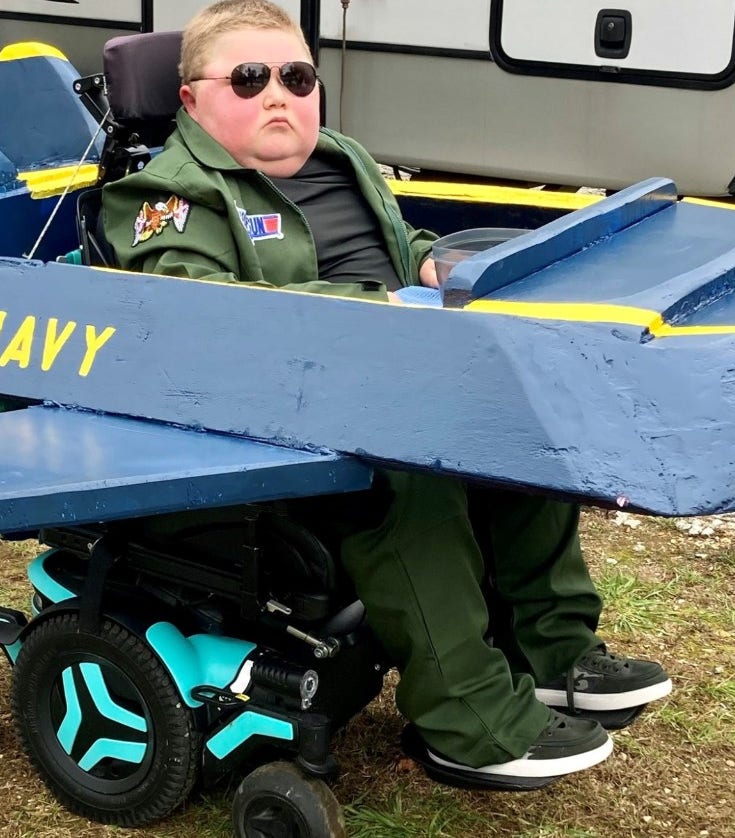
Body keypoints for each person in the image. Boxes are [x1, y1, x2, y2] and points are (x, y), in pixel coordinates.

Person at [101, 0, 671, 787]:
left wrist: (441, 266)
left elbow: (398, 253)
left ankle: (552, 653)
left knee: (530, 432)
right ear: (193, 102)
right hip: (276, 421)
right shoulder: (167, 196)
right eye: (249, 78)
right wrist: (393, 314)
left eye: (297, 77)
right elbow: (202, 321)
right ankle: (467, 718)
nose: (279, 95)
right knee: (415, 476)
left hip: (397, 380)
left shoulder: (343, 159)